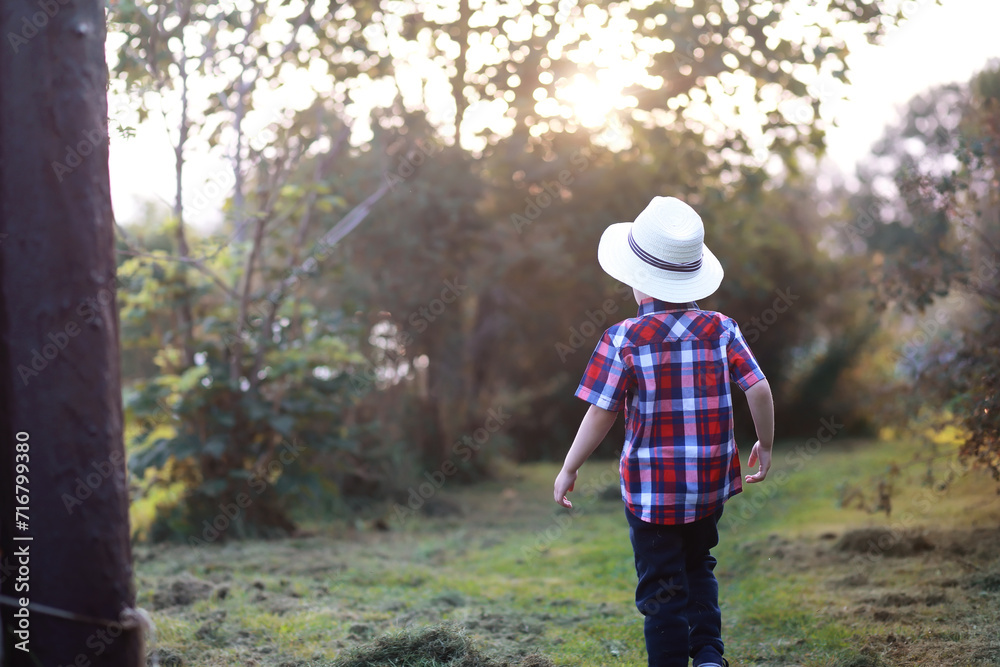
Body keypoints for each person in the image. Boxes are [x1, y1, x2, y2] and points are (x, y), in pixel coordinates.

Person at [553, 196, 775, 667]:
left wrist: (570, 466)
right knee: (699, 567)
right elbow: (757, 387)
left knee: (660, 586)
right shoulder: (721, 328)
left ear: (638, 282)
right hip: (710, 486)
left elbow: (601, 412)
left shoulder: (624, 338)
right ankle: (710, 656)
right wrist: (766, 443)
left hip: (652, 492)